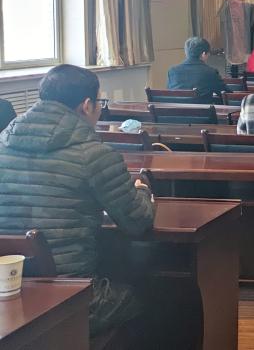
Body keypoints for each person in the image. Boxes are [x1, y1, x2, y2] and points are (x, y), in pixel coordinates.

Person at [0, 65, 155, 336]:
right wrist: (142, 189)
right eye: (99, 103)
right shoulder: (94, 155)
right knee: (155, 290)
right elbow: (138, 222)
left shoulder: (3, 145)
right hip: (73, 296)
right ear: (86, 105)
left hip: (8, 288)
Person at [167, 36, 229, 104]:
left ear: (186, 52)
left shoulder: (172, 72)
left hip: (176, 110)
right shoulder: (210, 72)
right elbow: (227, 95)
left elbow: (171, 95)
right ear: (203, 54)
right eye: (208, 53)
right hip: (202, 110)